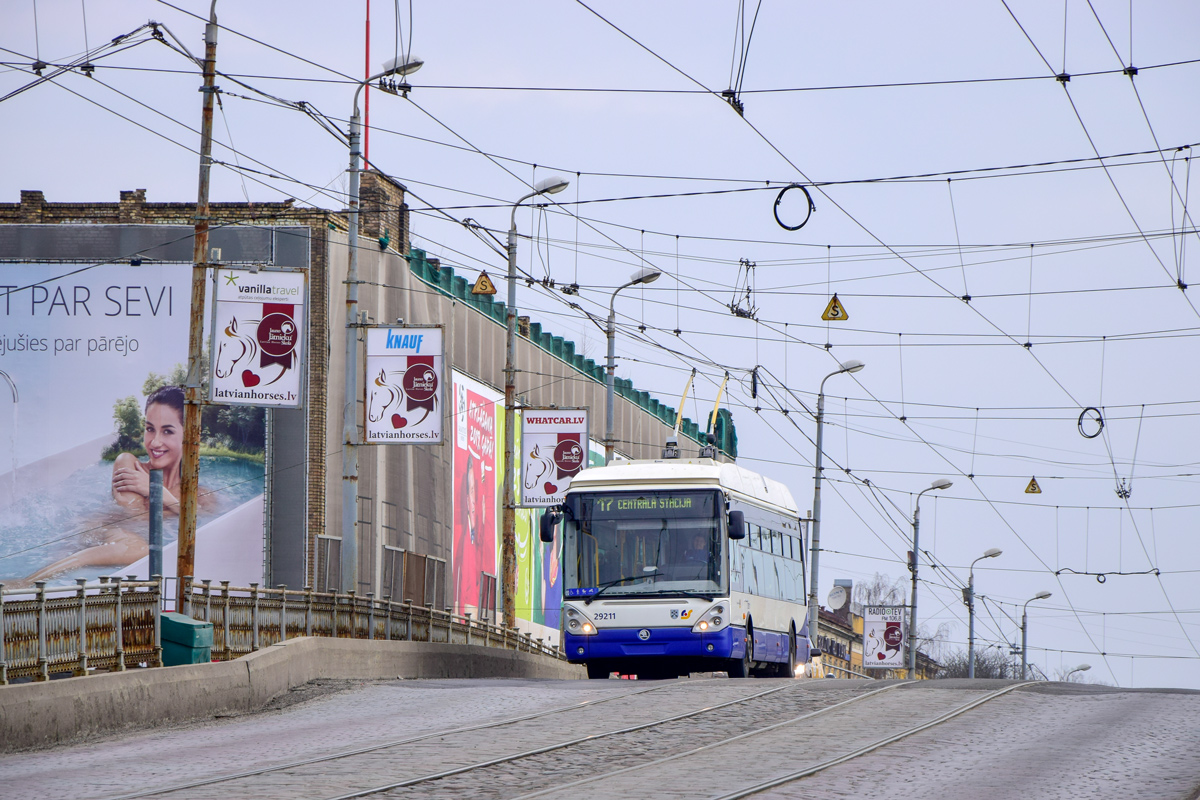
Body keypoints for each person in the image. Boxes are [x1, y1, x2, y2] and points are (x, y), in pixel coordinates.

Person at [111, 385, 184, 514]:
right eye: (150, 429)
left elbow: (200, 521)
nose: (155, 442)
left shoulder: (198, 494)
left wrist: (157, 491)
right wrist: (177, 509)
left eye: (167, 431)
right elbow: (134, 519)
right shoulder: (129, 466)